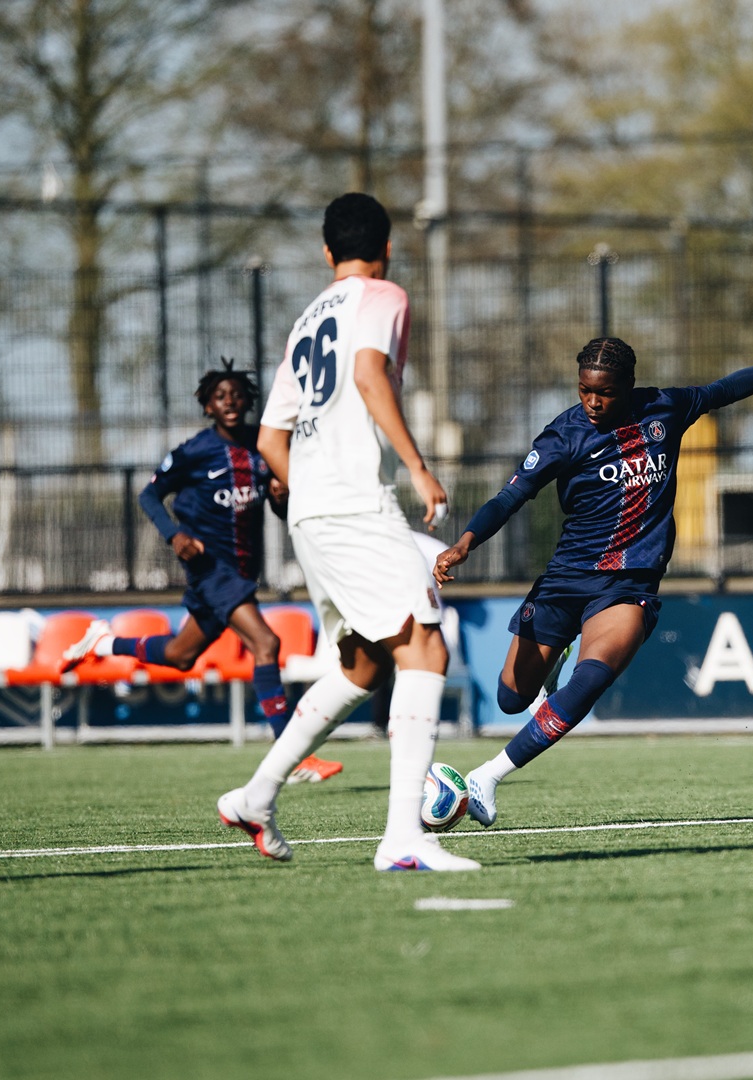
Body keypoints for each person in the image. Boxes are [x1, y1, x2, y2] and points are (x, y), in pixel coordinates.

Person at [435, 328, 753, 827]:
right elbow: (511, 495)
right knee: (511, 698)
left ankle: (489, 775)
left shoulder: (664, 409)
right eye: (584, 389)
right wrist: (465, 542)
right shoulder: (564, 435)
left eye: (605, 392)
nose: (593, 401)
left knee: (592, 679)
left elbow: (728, 388)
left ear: (629, 385)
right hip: (566, 578)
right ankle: (553, 661)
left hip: (629, 583)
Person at [220, 192, 471, 872]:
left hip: (312, 512)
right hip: (357, 503)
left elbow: (270, 438)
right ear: (385, 247)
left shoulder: (305, 320)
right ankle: (403, 839)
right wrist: (417, 467)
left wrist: (313, 491)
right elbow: (368, 375)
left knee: (361, 665)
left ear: (327, 252)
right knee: (425, 647)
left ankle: (258, 793)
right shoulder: (383, 295)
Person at [60, 364, 342, 782]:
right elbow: (149, 494)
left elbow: (278, 509)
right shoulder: (195, 451)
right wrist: (175, 536)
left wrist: (282, 497)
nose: (229, 401)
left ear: (247, 400)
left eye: (236, 394)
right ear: (208, 406)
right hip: (210, 568)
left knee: (180, 655)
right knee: (267, 643)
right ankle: (293, 755)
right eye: (219, 396)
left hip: (242, 572)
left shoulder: (262, 447)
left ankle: (104, 642)